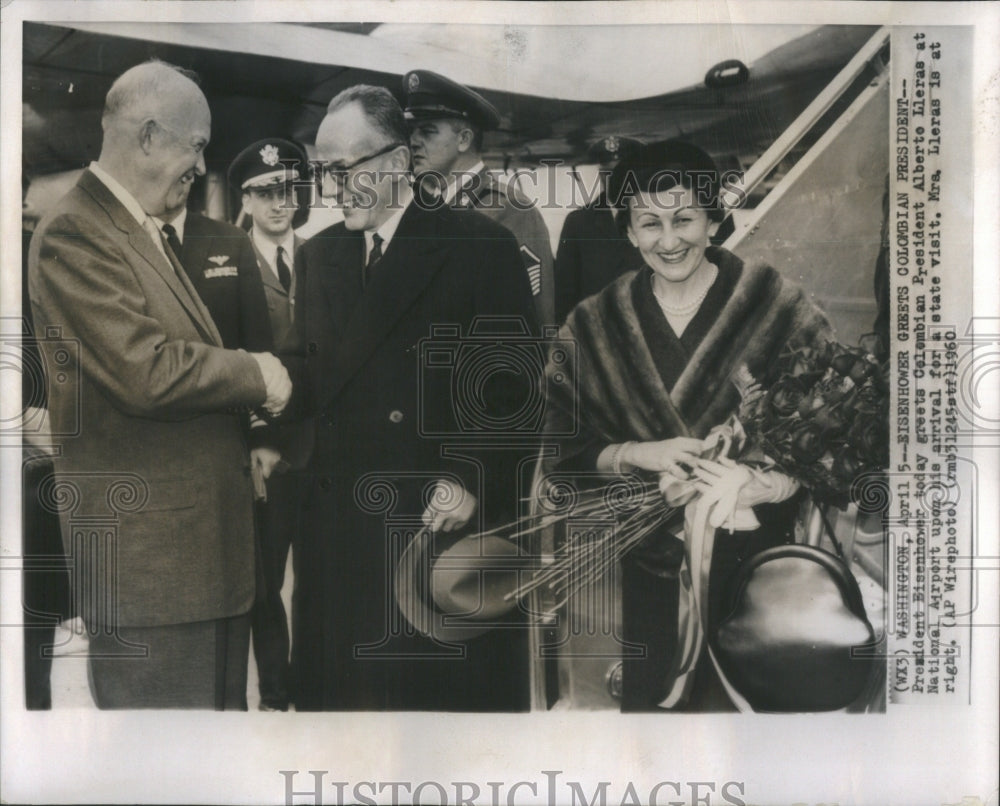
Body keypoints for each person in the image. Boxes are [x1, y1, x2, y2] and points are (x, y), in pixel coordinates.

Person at [28, 60, 292, 709]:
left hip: (200, 569)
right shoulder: (76, 234)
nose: (201, 167)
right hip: (155, 582)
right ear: (148, 137)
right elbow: (145, 370)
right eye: (196, 145)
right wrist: (256, 373)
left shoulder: (132, 228)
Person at [540, 140, 833, 711]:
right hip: (650, 569)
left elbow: (826, 436)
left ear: (714, 218)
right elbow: (561, 445)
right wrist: (636, 453)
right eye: (649, 223)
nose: (669, 240)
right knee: (658, 734)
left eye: (685, 219)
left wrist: (769, 483)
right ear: (627, 230)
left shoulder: (775, 305)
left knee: (751, 734)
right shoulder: (594, 324)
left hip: (759, 569)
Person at [283, 84, 537, 711]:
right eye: (323, 173)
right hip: (339, 537)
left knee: (438, 730)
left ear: (395, 163)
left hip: (433, 534)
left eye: (343, 171)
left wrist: (469, 473)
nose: (332, 189)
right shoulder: (321, 255)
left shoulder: (480, 248)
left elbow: (516, 391)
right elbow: (304, 373)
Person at [227, 137, 314, 711]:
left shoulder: (321, 256)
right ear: (247, 198)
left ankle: (311, 685)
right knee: (264, 583)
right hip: (263, 449)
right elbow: (228, 356)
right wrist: (260, 437)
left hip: (316, 446)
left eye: (289, 191)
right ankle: (277, 692)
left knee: (319, 577)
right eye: (267, 193)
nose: (281, 204)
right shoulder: (229, 263)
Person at [403, 69, 555, 327]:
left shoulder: (511, 210)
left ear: (463, 140)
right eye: (413, 131)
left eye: (427, 132)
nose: (413, 141)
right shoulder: (427, 208)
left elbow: (534, 320)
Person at [553, 136, 644, 323]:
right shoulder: (578, 223)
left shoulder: (658, 219)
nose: (614, 180)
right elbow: (564, 296)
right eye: (607, 173)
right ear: (600, 175)